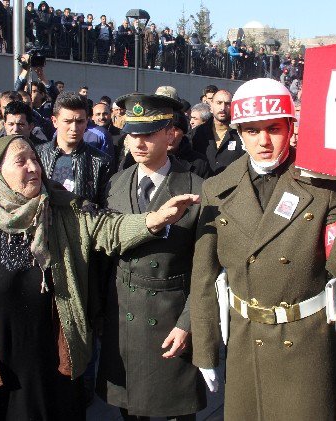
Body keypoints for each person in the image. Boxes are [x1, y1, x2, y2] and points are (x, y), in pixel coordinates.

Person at [0, 133, 198, 420]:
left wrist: (153, 220)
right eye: (21, 161)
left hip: (54, 359)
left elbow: (108, 229)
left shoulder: (63, 211)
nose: (33, 167)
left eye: (35, 159)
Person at [189, 78, 336, 420]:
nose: (263, 141)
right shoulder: (217, 189)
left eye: (274, 128)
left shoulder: (323, 185)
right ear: (238, 131)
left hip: (304, 341)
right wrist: (205, 351)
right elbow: (204, 277)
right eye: (252, 130)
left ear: (291, 126)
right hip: (245, 339)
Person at [97, 93, 207, 421]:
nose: (138, 143)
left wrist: (189, 324)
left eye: (148, 134)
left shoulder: (196, 187)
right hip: (125, 318)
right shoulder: (116, 183)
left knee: (175, 411)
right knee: (129, 411)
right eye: (132, 134)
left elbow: (206, 268)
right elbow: (106, 253)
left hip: (169, 318)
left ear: (169, 134)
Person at [35, 92, 112, 203]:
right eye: (67, 121)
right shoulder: (36, 156)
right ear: (55, 121)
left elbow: (105, 209)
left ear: (87, 122)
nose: (74, 128)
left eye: (80, 121)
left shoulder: (102, 162)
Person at [190, 90, 245, 175]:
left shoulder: (242, 133)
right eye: (219, 103)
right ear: (211, 107)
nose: (223, 108)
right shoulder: (197, 133)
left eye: (227, 104)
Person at [169, 111, 210, 179]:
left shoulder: (200, 163)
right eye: (166, 129)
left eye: (175, 129)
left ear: (183, 133)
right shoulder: (149, 159)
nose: (170, 134)